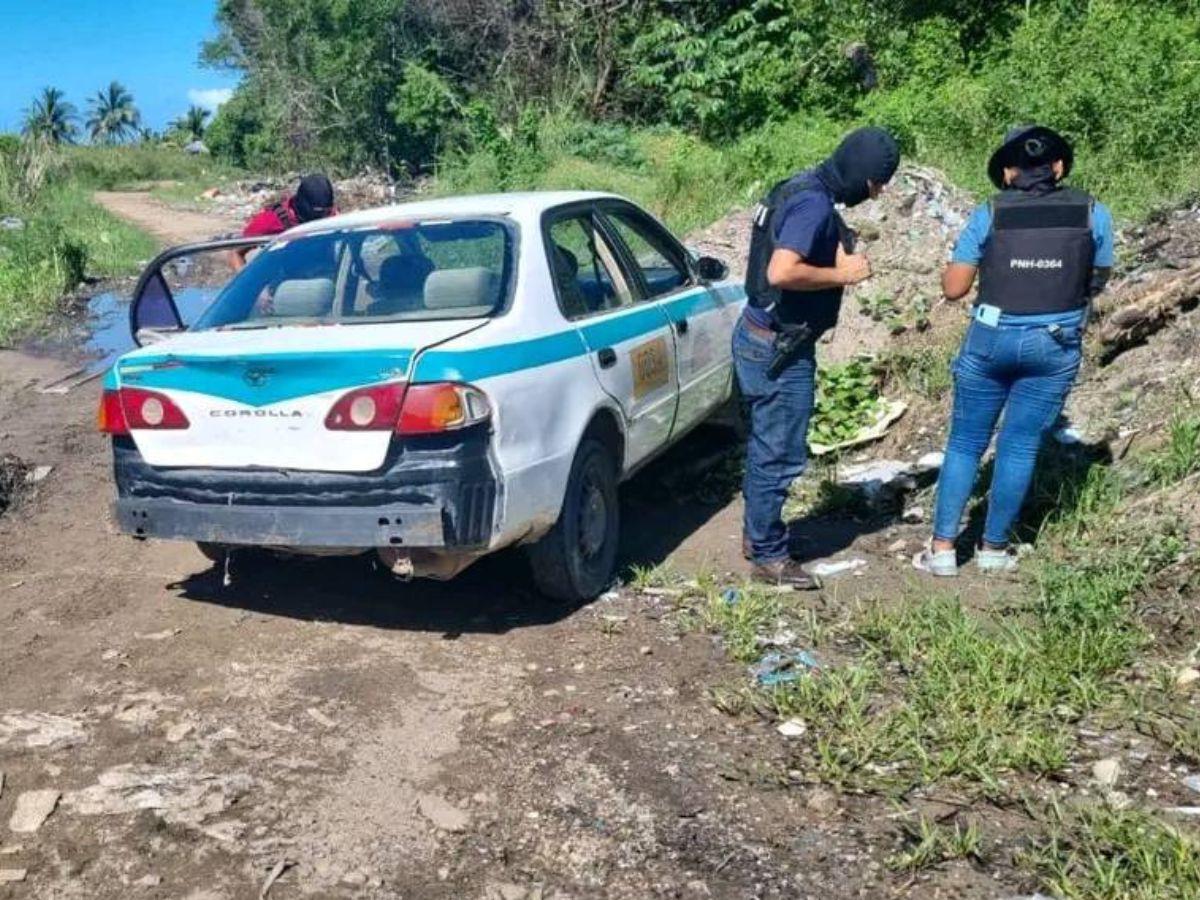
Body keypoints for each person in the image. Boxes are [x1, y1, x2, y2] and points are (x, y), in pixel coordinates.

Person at [914, 125, 1114, 577]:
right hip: (1055, 343)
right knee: (1020, 446)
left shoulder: (989, 213)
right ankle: (994, 550)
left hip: (991, 338)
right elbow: (1098, 278)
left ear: (1007, 173)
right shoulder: (1093, 212)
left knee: (965, 443)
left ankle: (942, 550)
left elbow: (953, 289)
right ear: (1058, 167)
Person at [736, 126, 900, 588]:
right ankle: (768, 556)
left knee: (766, 444)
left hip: (760, 331)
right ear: (862, 174)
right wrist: (843, 274)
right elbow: (781, 271)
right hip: (779, 345)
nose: (877, 193)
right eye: (876, 184)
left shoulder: (798, 186)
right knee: (780, 453)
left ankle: (757, 536)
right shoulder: (813, 204)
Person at [229, 173, 337, 271]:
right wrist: (247, 282)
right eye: (318, 214)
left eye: (326, 212)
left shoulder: (331, 215)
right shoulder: (271, 219)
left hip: (328, 278)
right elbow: (235, 253)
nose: (323, 217)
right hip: (289, 282)